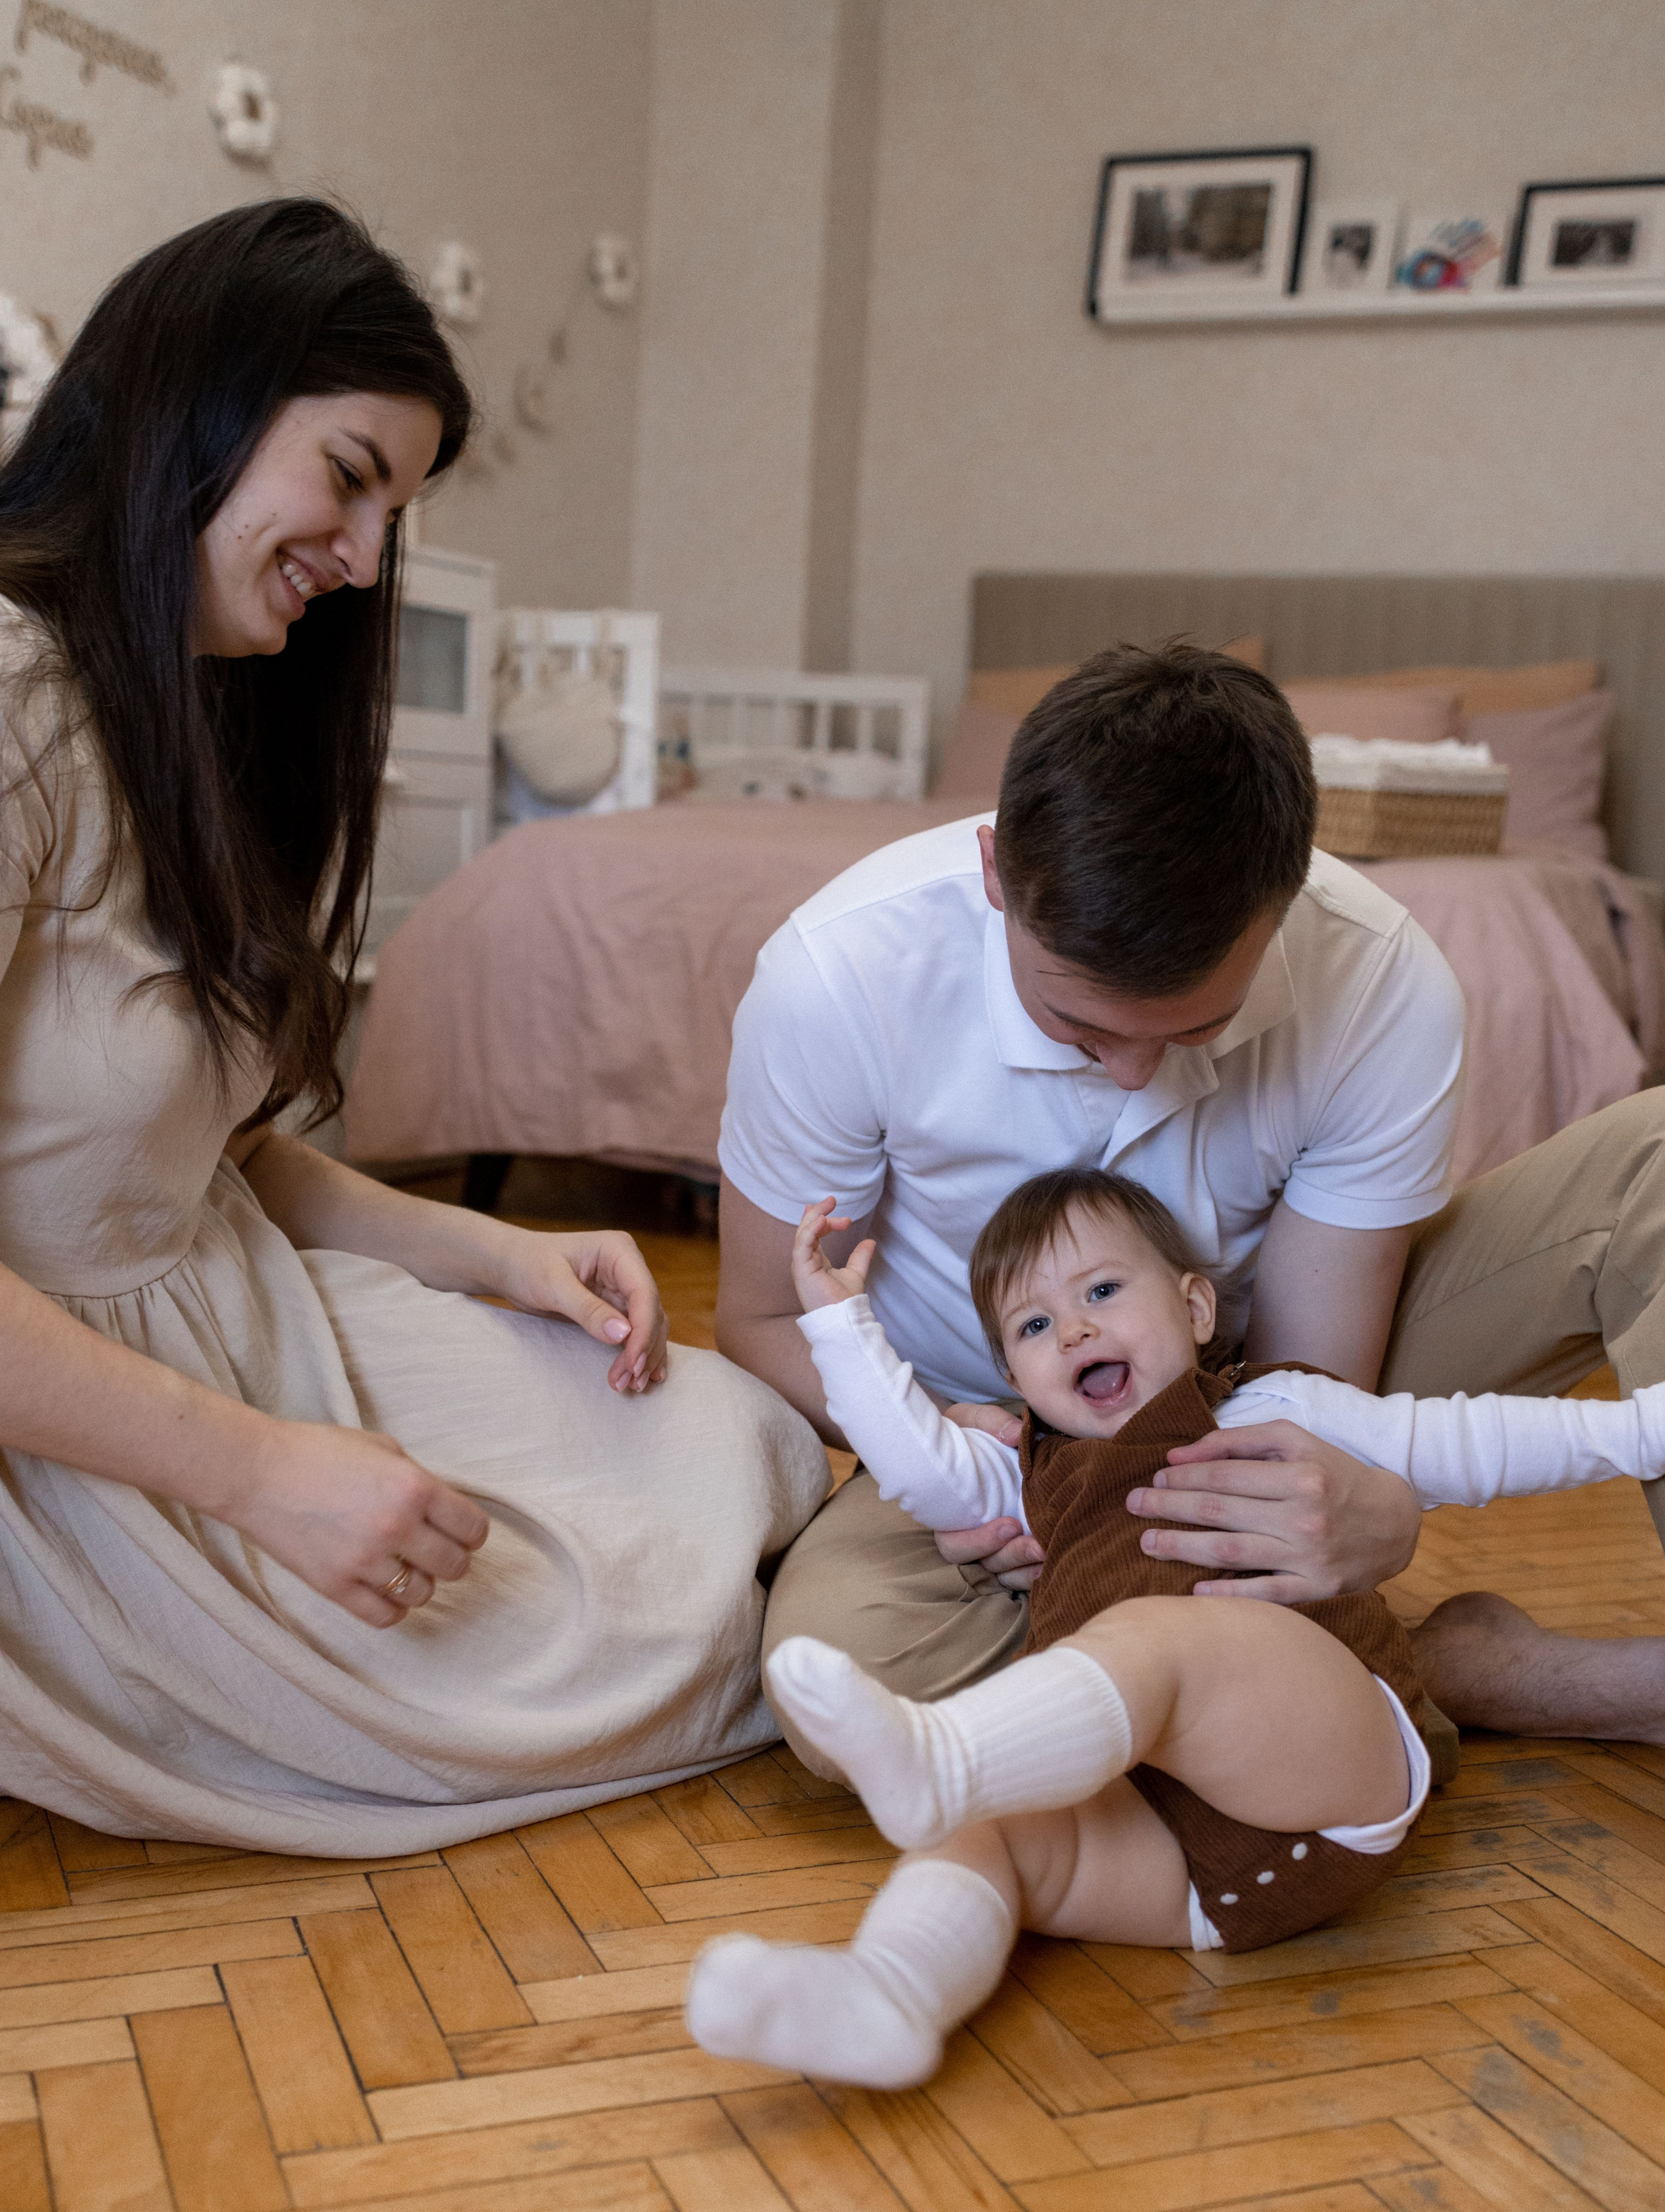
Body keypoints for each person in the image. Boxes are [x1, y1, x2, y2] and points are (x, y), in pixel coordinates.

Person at [0, 200, 827, 1854]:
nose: (368, 562)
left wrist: (493, 1254)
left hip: (228, 1313)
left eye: (398, 510)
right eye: (350, 477)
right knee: (651, 1650)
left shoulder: (169, 706)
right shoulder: (14, 694)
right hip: (68, 1422)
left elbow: (196, 1156)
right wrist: (261, 1475)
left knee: (743, 1445)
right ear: (200, 401)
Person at [717, 643, 1665, 1757]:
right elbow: (761, 1316)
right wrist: (934, 1433)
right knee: (834, 1681)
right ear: (995, 871)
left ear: (1285, 903)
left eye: (1197, 1026)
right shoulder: (837, 978)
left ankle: (1450, 1676)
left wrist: (1367, 1492)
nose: (1133, 1072)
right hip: (976, 1434)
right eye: (1079, 1024)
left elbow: (1313, 1382)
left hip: (1261, 1386)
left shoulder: (1381, 981)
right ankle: (1383, 1671)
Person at [684, 1168, 1665, 2087]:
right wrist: (840, 1322)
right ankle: (890, 1992)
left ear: (1196, 1309)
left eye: (1103, 1291)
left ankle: (953, 1755)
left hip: (1333, 1774)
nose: (1073, 1328)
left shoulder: (1278, 1407)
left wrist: (1637, 1431)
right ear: (1014, 1374)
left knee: (1162, 1641)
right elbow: (911, 1458)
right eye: (1034, 1324)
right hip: (1192, 1870)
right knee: (987, 1838)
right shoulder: (1027, 1474)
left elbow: (1472, 1440)